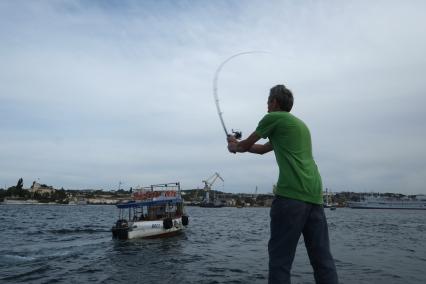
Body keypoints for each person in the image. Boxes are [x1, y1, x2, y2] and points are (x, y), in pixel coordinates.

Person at [227, 84, 338, 284]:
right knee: (322, 259)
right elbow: (261, 149)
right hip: (314, 196)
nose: (267, 106)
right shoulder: (300, 126)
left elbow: (245, 145)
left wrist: (234, 145)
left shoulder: (272, 118)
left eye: (268, 101)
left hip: (290, 197)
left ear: (275, 102)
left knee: (280, 260)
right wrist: (239, 145)